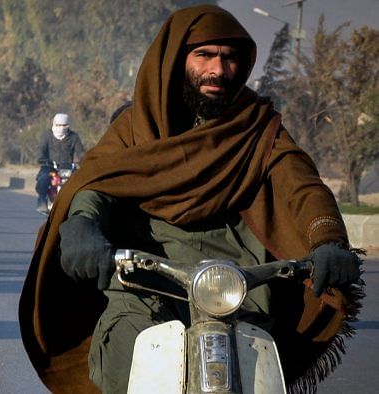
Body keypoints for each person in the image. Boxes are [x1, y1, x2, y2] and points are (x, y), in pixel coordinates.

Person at [18, 5, 362, 394]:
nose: (219, 70)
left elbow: (301, 185)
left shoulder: (258, 127)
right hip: (148, 284)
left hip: (238, 286)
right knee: (129, 355)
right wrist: (82, 225)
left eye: (230, 58)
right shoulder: (135, 126)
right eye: (205, 56)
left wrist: (328, 239)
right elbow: (99, 184)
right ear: (176, 59)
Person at [35, 113, 85, 214]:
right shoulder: (47, 135)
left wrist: (83, 160)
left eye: (64, 125)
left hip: (68, 167)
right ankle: (42, 200)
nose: (61, 128)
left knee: (81, 181)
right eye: (58, 125)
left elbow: (80, 152)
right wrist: (43, 159)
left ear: (68, 125)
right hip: (49, 166)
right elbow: (41, 151)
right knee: (43, 178)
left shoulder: (74, 137)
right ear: (54, 124)